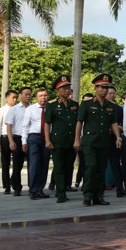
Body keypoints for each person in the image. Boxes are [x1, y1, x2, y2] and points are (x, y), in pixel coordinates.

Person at [75, 74, 123, 206]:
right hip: (90, 141)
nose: (105, 90)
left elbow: (113, 123)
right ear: (95, 88)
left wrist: (118, 137)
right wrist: (77, 140)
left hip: (104, 141)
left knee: (101, 169)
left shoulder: (111, 106)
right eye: (102, 87)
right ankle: (87, 195)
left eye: (107, 88)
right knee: (91, 167)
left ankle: (98, 196)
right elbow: (79, 122)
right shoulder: (86, 104)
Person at [45, 75, 78, 203]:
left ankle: (65, 188)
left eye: (68, 88)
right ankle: (60, 193)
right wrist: (47, 140)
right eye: (64, 88)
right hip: (58, 141)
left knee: (68, 167)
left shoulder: (75, 105)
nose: (67, 90)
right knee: (59, 168)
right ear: (57, 90)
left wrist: (77, 139)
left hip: (71, 141)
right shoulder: (52, 106)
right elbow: (47, 124)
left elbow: (78, 123)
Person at [21, 88, 51, 200]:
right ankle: (33, 190)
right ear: (36, 97)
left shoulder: (51, 108)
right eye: (41, 95)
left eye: (45, 95)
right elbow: (25, 126)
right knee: (34, 163)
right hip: (34, 137)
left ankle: (40, 189)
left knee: (44, 164)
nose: (43, 97)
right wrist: (24, 142)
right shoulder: (30, 109)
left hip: (47, 138)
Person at [4, 87, 32, 197]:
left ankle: (32, 186)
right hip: (17, 138)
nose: (28, 96)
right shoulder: (14, 109)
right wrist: (11, 141)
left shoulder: (33, 108)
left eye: (30, 94)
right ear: (20, 95)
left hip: (30, 138)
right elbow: (9, 126)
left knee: (32, 163)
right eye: (25, 94)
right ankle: (17, 187)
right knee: (17, 164)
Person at [0, 89, 18, 195]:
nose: (15, 99)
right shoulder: (1, 111)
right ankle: (7, 186)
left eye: (16, 97)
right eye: (13, 97)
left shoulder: (19, 109)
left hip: (16, 137)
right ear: (7, 98)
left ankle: (15, 182)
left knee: (17, 163)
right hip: (4, 138)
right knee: (5, 163)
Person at [105, 87, 126, 197]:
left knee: (116, 164)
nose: (112, 95)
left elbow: (123, 124)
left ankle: (119, 188)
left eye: (113, 93)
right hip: (102, 139)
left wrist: (117, 128)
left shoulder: (118, 109)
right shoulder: (100, 106)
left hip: (115, 139)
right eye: (110, 93)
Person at [74, 92, 95, 189]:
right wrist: (77, 139)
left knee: (90, 164)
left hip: (91, 141)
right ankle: (78, 181)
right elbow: (78, 126)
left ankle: (86, 184)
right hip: (81, 140)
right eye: (85, 100)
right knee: (83, 163)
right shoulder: (79, 112)